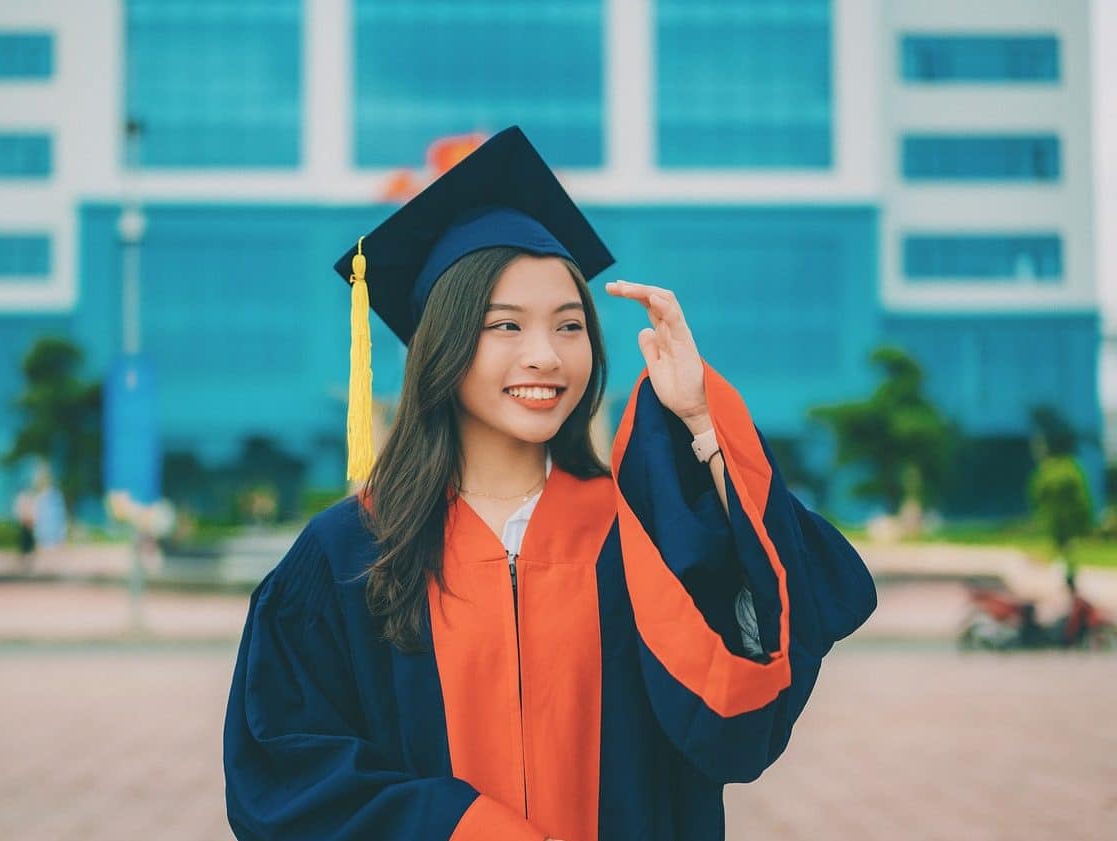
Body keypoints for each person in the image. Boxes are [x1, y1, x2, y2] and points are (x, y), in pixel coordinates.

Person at [223, 127, 877, 841]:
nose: (546, 356)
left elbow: (760, 680)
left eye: (570, 326)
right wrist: (461, 827)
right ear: (442, 345)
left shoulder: (637, 537)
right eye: (505, 325)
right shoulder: (349, 552)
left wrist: (702, 420)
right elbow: (283, 772)